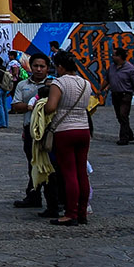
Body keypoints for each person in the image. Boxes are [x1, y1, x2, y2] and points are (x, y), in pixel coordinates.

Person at [43, 50, 93, 226]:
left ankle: (70, 213)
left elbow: (50, 107)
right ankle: (82, 212)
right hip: (84, 129)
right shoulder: (86, 83)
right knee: (82, 173)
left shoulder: (59, 83)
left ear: (61, 66)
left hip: (65, 130)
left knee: (69, 173)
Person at [12, 53, 60, 215]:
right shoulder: (23, 85)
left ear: (48, 68)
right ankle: (33, 195)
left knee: (52, 165)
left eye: (42, 66)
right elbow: (16, 105)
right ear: (30, 67)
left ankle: (56, 199)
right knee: (33, 163)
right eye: (36, 66)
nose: (39, 69)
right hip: (30, 129)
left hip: (50, 130)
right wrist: (32, 106)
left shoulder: (56, 84)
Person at [106, 48, 134, 145]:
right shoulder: (112, 67)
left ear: (120, 57)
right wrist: (100, 90)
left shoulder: (130, 69)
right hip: (115, 94)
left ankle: (124, 138)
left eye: (114, 55)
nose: (112, 56)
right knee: (119, 116)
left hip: (125, 94)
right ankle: (129, 133)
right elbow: (107, 79)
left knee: (123, 115)